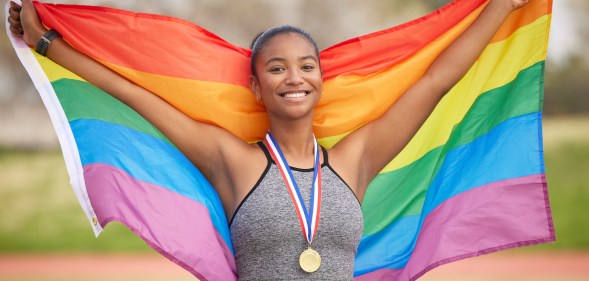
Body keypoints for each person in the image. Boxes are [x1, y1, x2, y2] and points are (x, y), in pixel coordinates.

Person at [8, 0, 529, 279]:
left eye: (307, 65)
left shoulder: (356, 160)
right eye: (276, 68)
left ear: (322, 79)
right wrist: (49, 44)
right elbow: (139, 97)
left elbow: (435, 83)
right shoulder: (231, 161)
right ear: (257, 86)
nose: (294, 77)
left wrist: (501, 7)